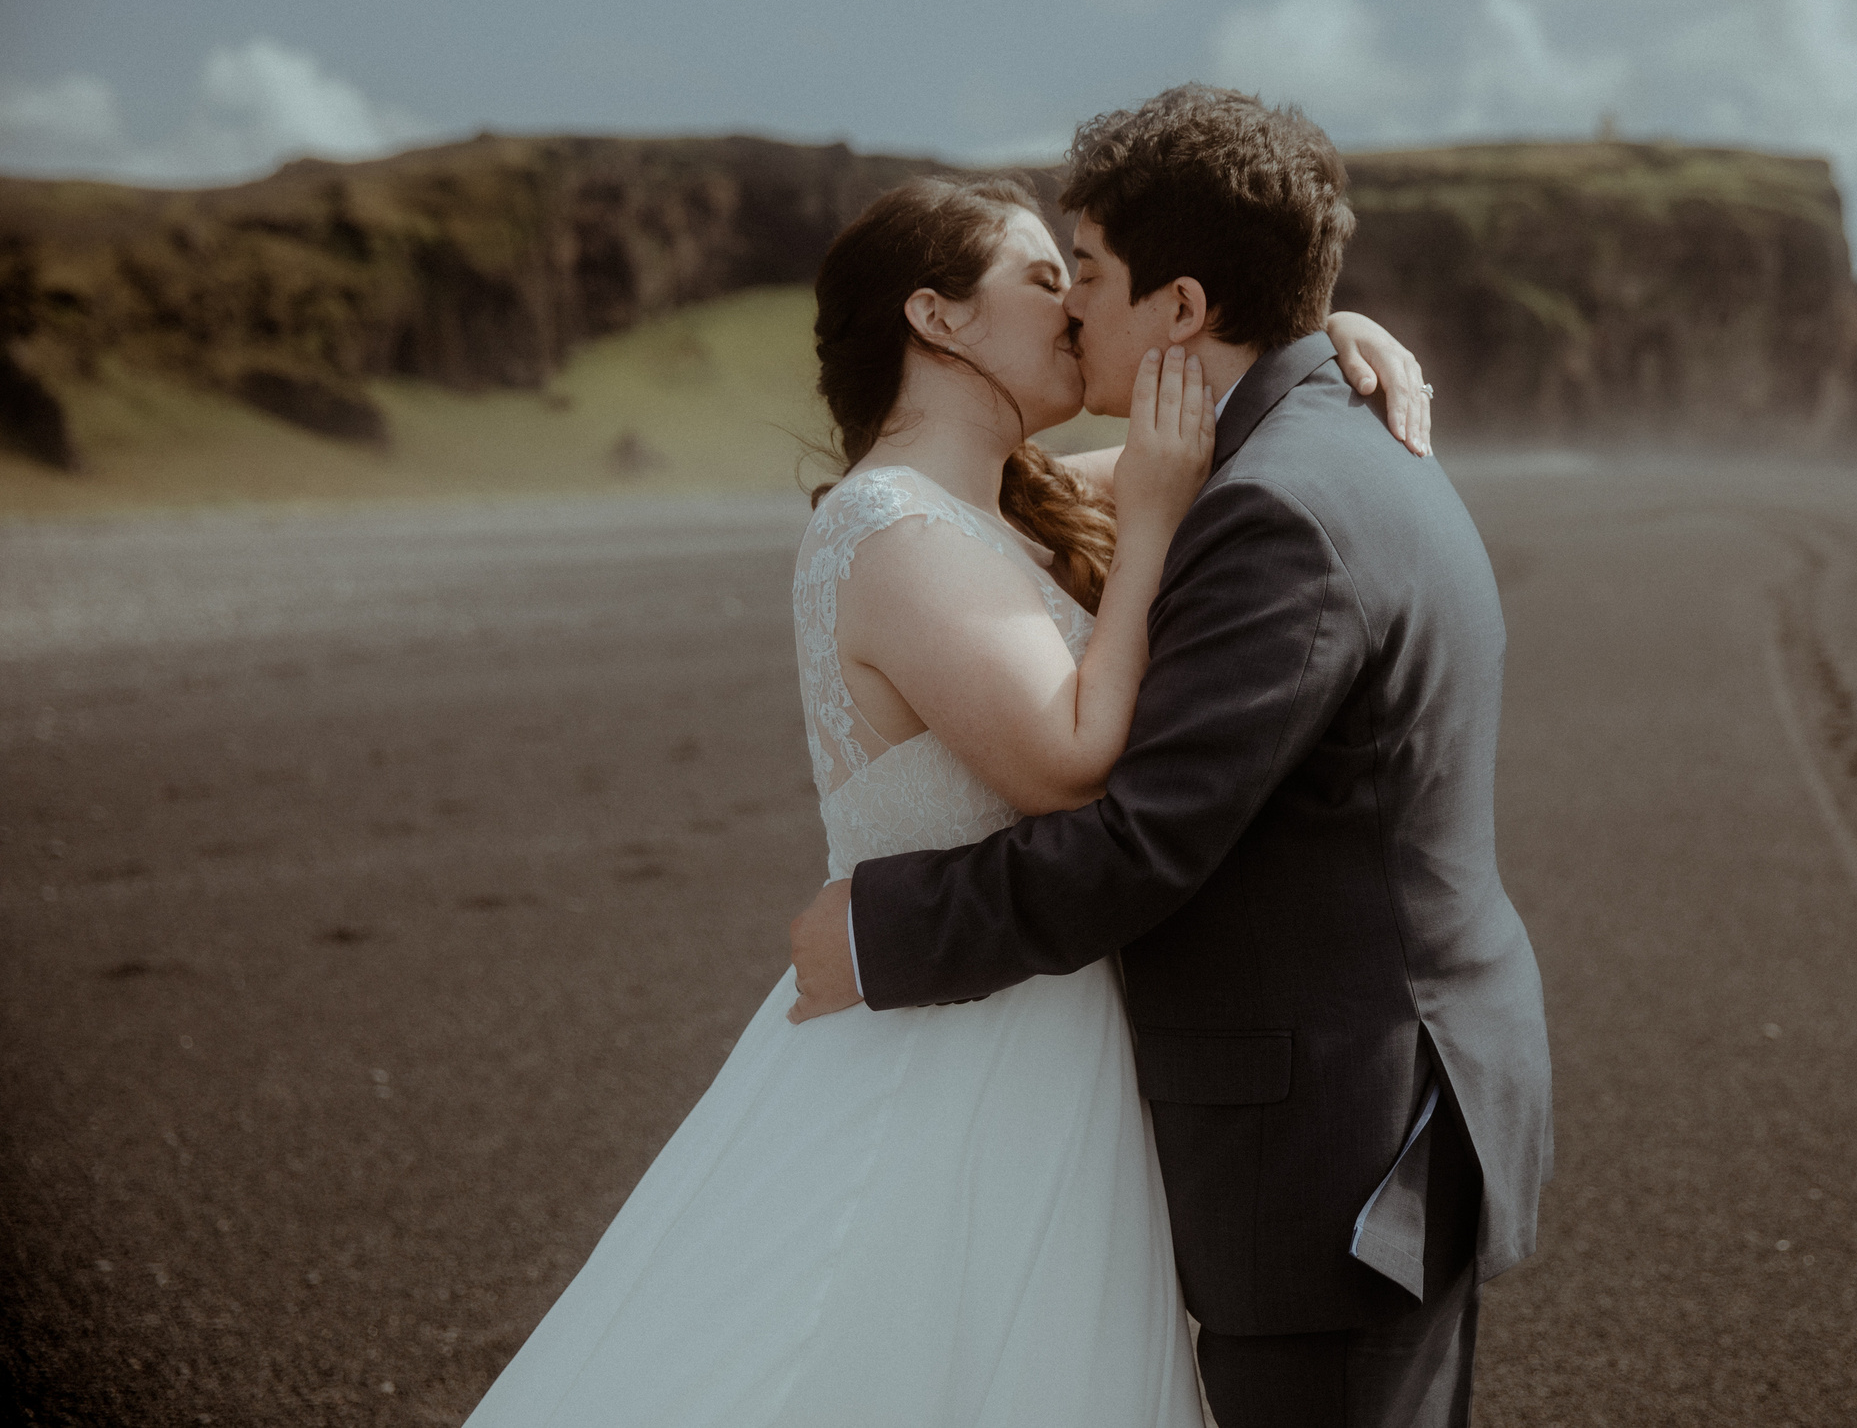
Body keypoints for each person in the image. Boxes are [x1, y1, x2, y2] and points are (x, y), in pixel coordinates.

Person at [462, 171, 1431, 1427]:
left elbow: (1224, 424)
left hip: (1053, 1029)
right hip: (949, 1054)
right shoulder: (891, 527)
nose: (1080, 310)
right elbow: (1068, 760)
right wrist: (1143, 534)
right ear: (938, 318)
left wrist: (1335, 336)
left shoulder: (1010, 502)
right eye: (1045, 280)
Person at [788, 85, 1552, 1428]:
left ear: (1184, 307)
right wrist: (1329, 329)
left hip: (1335, 1146)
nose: (1072, 306)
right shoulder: (1291, 451)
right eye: (1048, 277)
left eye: (1081, 272)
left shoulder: (1279, 508)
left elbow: (1144, 836)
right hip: (1341, 1108)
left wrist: (878, 930)